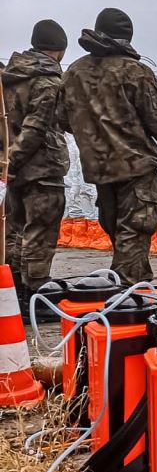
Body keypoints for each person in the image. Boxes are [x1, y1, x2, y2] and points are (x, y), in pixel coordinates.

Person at [60, 8, 157, 284]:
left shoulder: (74, 71)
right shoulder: (136, 71)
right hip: (137, 168)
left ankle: (125, 290)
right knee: (134, 236)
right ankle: (128, 298)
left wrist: (95, 136)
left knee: (118, 235)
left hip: (100, 170)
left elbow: (62, 118)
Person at [3, 19, 70, 316]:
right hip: (42, 167)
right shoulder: (47, 81)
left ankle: (14, 291)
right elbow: (36, 127)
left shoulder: (11, 77)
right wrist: (16, 159)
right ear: (60, 49)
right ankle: (36, 295)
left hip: (13, 169)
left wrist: (8, 162)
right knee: (40, 231)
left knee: (16, 230)